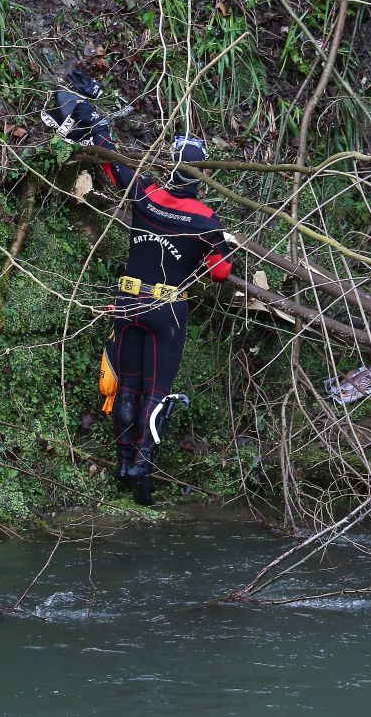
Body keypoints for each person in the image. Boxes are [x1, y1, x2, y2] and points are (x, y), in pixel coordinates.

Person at [45, 71, 232, 504]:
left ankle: (122, 462)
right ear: (201, 175)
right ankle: (141, 472)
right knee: (155, 391)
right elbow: (221, 273)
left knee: (128, 387)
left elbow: (111, 161)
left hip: (128, 301)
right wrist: (219, 247)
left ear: (171, 166)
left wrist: (94, 120)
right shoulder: (206, 220)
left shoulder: (144, 194)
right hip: (166, 312)